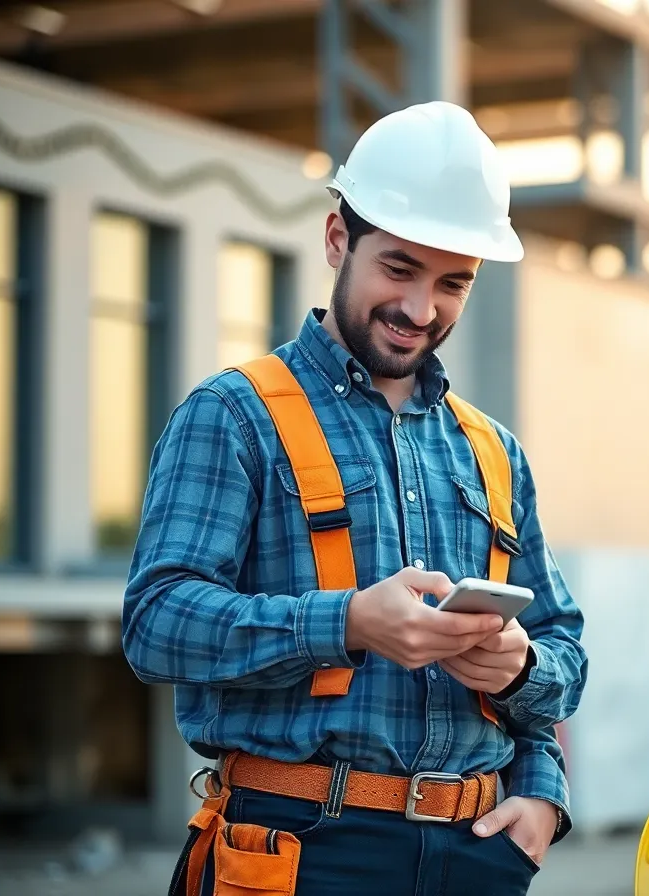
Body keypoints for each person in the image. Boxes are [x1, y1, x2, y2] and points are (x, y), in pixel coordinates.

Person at [122, 101, 587, 896]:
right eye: (399, 269)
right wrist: (346, 623)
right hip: (301, 852)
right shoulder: (234, 415)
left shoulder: (493, 452)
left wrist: (535, 753)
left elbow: (560, 649)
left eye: (452, 284)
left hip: (478, 854)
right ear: (339, 238)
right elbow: (156, 625)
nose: (420, 310)